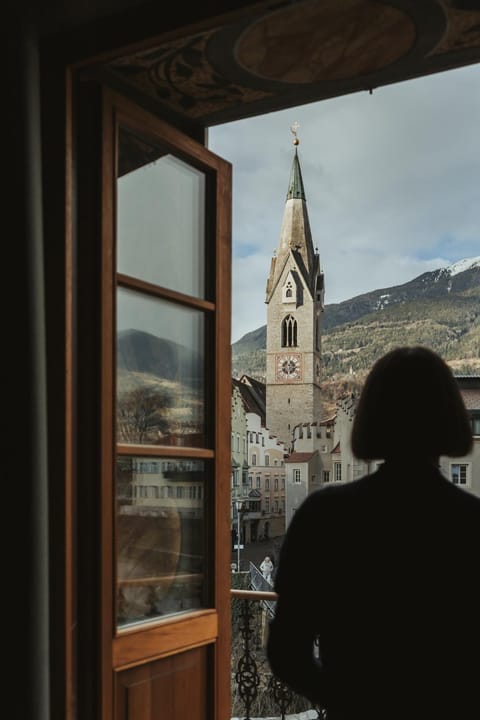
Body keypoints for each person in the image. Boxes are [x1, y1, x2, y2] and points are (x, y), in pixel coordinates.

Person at [267, 346, 480, 720]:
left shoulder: (323, 516)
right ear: (450, 418)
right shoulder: (471, 522)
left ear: (372, 418)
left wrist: (346, 697)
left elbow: (286, 652)